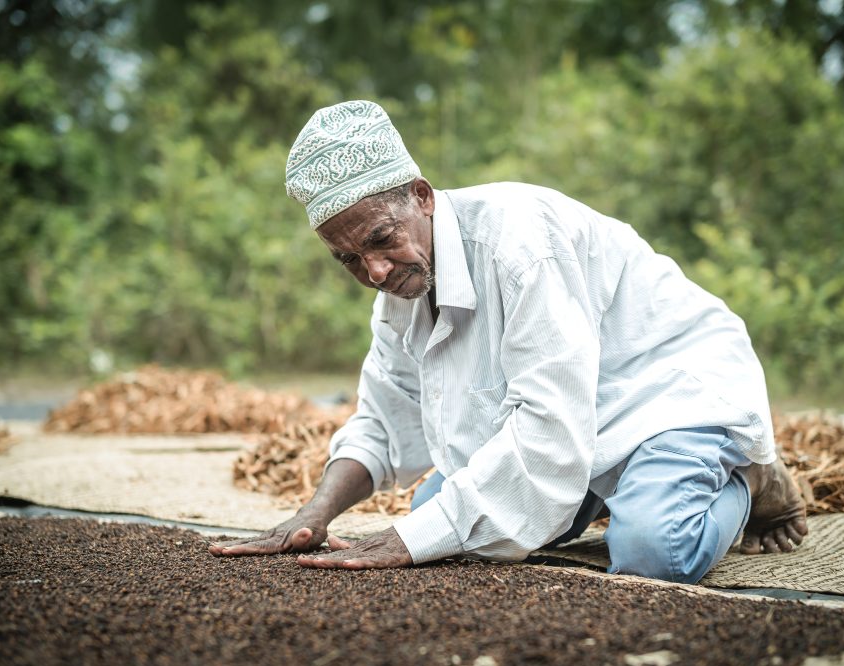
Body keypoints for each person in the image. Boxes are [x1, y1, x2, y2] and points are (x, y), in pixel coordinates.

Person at [209, 100, 808, 583]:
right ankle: (615, 490)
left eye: (381, 239)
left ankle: (750, 478)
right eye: (349, 259)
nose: (375, 272)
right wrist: (315, 514)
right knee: (438, 518)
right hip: (584, 417)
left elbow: (550, 429)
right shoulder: (398, 295)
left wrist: (412, 541)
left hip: (668, 390)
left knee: (653, 550)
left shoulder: (519, 243)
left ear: (421, 195)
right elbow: (386, 418)